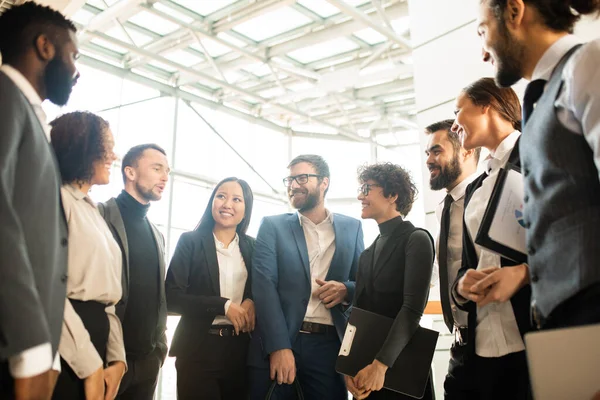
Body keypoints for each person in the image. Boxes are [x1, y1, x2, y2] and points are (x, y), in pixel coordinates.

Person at [472, 0, 600, 331]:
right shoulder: (540, 96)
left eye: (483, 30)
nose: (483, 53)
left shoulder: (588, 64)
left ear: (515, 12)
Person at [0, 3, 78, 399]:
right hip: (14, 341)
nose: (76, 69)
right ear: (45, 46)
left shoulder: (29, 113)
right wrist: (31, 340)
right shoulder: (5, 97)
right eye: (73, 55)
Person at [249, 154, 364, 400]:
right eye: (289, 179)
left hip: (330, 345)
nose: (293, 185)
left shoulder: (352, 227)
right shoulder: (272, 226)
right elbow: (264, 286)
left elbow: (362, 283)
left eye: (302, 177)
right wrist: (279, 346)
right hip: (283, 339)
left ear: (324, 182)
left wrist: (346, 289)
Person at [451, 78, 531, 400]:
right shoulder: (475, 187)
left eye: (459, 111)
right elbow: (470, 264)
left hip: (531, 334)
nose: (455, 124)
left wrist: (525, 274)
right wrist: (461, 286)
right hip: (482, 345)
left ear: (486, 105)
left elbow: (575, 242)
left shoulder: (538, 155)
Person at [50, 111, 126, 400]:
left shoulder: (91, 209)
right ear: (83, 147)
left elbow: (109, 297)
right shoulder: (56, 199)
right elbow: (50, 293)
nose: (113, 155)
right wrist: (90, 364)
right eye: (107, 146)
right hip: (67, 346)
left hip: (96, 341)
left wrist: (117, 359)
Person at [346, 163, 435, 400]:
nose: (359, 195)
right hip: (365, 374)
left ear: (393, 194)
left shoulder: (416, 240)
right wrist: (347, 367)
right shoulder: (367, 254)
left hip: (399, 368)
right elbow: (358, 315)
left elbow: (412, 310)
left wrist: (380, 365)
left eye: (367, 188)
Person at [165, 177, 256, 400]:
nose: (227, 204)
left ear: (246, 209)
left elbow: (262, 287)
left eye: (236, 199)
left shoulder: (253, 247)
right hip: (198, 349)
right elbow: (172, 298)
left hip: (241, 350)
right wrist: (223, 306)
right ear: (212, 202)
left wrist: (252, 301)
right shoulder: (190, 242)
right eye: (221, 196)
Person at [98, 144, 170, 400]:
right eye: (157, 168)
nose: (165, 177)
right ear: (130, 171)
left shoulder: (156, 234)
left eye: (167, 171)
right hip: (107, 361)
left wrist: (158, 351)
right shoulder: (99, 216)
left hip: (148, 361)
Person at [424, 119, 480, 400]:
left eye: (437, 151)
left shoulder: (486, 196)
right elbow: (437, 268)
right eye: (427, 154)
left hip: (493, 344)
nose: (429, 160)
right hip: (460, 345)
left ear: (467, 151)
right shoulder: (442, 209)